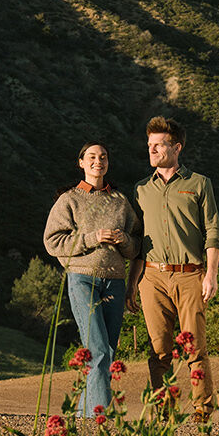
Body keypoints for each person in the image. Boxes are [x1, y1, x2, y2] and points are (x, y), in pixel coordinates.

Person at [127, 115, 219, 417]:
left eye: (158, 145)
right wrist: (132, 283)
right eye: (150, 145)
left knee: (194, 348)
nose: (152, 150)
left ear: (176, 147)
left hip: (190, 275)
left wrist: (211, 275)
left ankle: (202, 412)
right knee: (159, 351)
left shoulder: (199, 184)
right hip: (151, 278)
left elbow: (213, 230)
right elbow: (139, 240)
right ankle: (164, 413)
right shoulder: (141, 189)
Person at [43, 142, 140, 419]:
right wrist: (92, 238)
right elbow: (52, 242)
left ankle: (83, 416)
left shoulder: (121, 202)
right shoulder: (69, 200)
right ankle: (101, 420)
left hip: (115, 283)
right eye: (92, 157)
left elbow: (136, 247)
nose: (99, 161)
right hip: (82, 280)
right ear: (81, 163)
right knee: (97, 350)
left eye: (104, 157)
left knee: (106, 352)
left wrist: (124, 241)